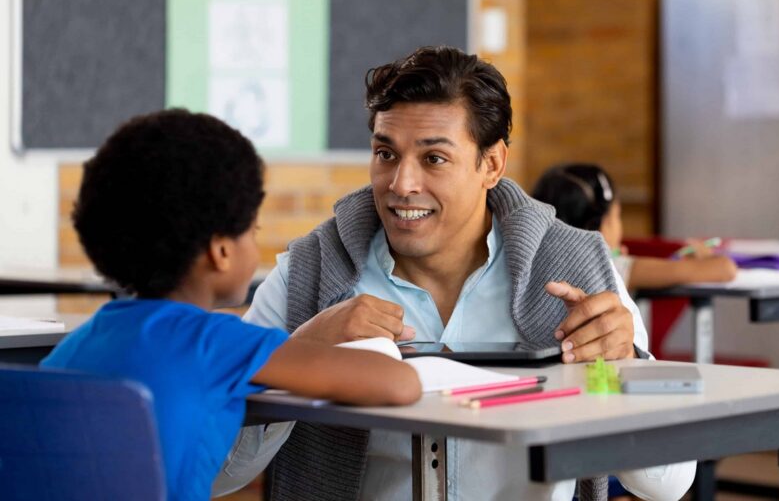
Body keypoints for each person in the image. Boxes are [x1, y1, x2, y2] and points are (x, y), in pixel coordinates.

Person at [215, 47, 694, 501]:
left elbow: (667, 485)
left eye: (434, 158)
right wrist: (297, 357)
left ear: (492, 164)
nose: (401, 184)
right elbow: (216, 472)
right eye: (385, 154)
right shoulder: (310, 272)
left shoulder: (578, 265)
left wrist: (625, 363)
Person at [40, 109, 421, 501]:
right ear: (220, 252)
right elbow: (400, 384)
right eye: (252, 231)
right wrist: (318, 338)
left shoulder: (74, 347)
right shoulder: (216, 343)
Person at [532, 163, 737, 290]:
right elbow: (725, 269)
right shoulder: (614, 268)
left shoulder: (531, 264)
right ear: (603, 225)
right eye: (617, 216)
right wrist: (705, 255)